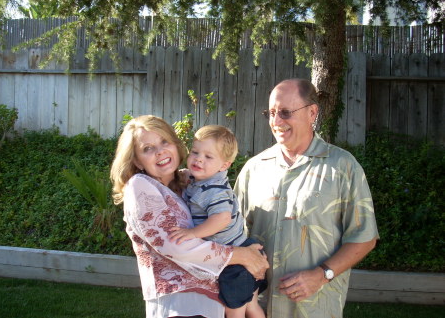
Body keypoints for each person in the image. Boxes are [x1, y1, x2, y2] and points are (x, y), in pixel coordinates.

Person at [234, 78, 379, 318]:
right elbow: (232, 232)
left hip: (315, 308)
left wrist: (322, 275)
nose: (276, 121)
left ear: (312, 113)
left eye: (285, 112)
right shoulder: (254, 168)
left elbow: (364, 237)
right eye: (271, 113)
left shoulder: (342, 167)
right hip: (257, 308)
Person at [110, 115, 269, 318]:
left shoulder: (190, 182)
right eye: (147, 149)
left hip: (212, 302)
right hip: (179, 304)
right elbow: (175, 245)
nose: (160, 152)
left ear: (176, 145)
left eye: (164, 142)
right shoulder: (140, 186)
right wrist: (241, 255)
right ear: (137, 161)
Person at [168, 125, 267, 318]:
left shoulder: (215, 190)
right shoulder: (202, 181)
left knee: (234, 310)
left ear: (224, 165)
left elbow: (222, 218)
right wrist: (185, 174)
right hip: (239, 249)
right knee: (251, 305)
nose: (198, 159)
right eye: (195, 152)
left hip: (236, 261)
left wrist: (193, 233)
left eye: (208, 157)